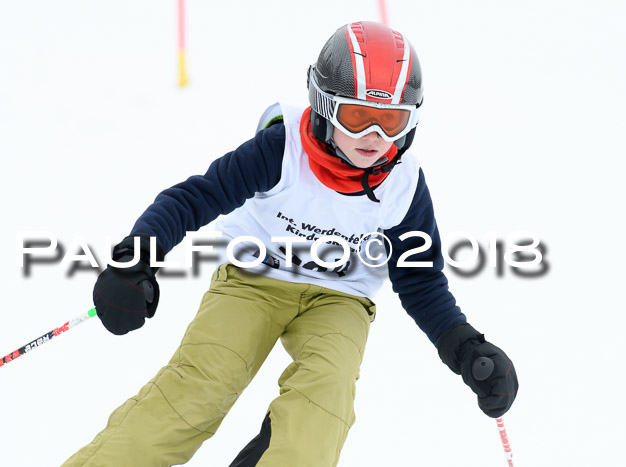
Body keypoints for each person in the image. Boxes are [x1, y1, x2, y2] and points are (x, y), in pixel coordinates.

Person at [62, 21, 518, 467]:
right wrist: (134, 262)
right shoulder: (281, 150)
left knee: (325, 401)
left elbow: (420, 278)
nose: (373, 139)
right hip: (252, 281)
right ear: (323, 104)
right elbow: (195, 198)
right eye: (357, 117)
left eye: (391, 122)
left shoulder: (403, 185)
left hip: (340, 299)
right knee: (197, 390)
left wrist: (466, 348)